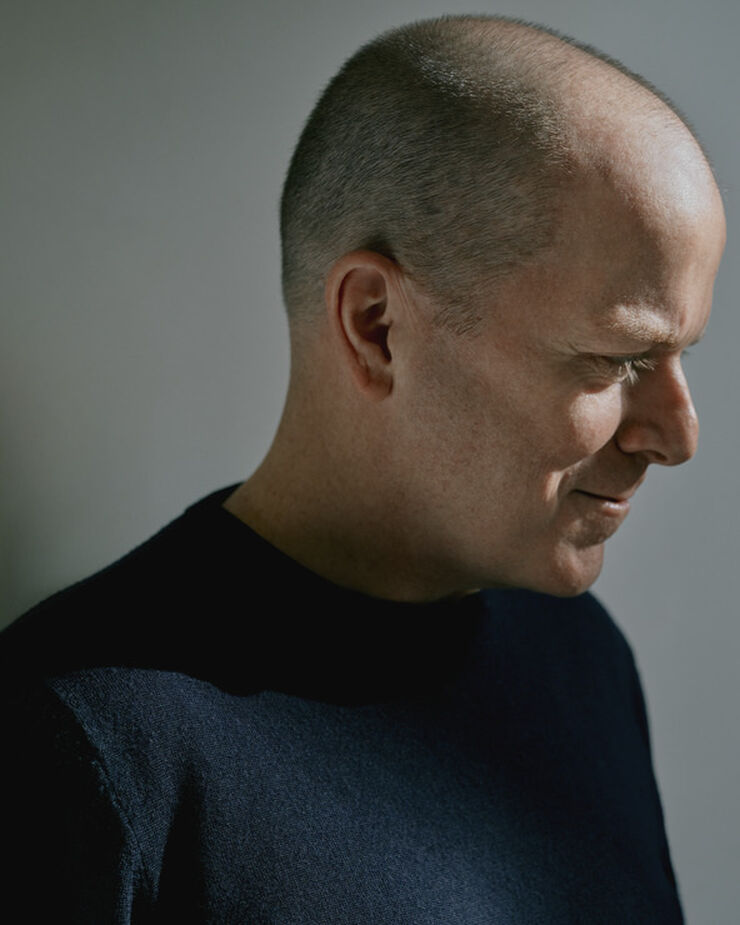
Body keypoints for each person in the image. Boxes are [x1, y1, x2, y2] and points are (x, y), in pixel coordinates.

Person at [0, 14, 725, 924]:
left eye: (682, 355)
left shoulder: (581, 660)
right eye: (617, 359)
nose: (678, 434)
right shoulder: (71, 740)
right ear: (377, 326)